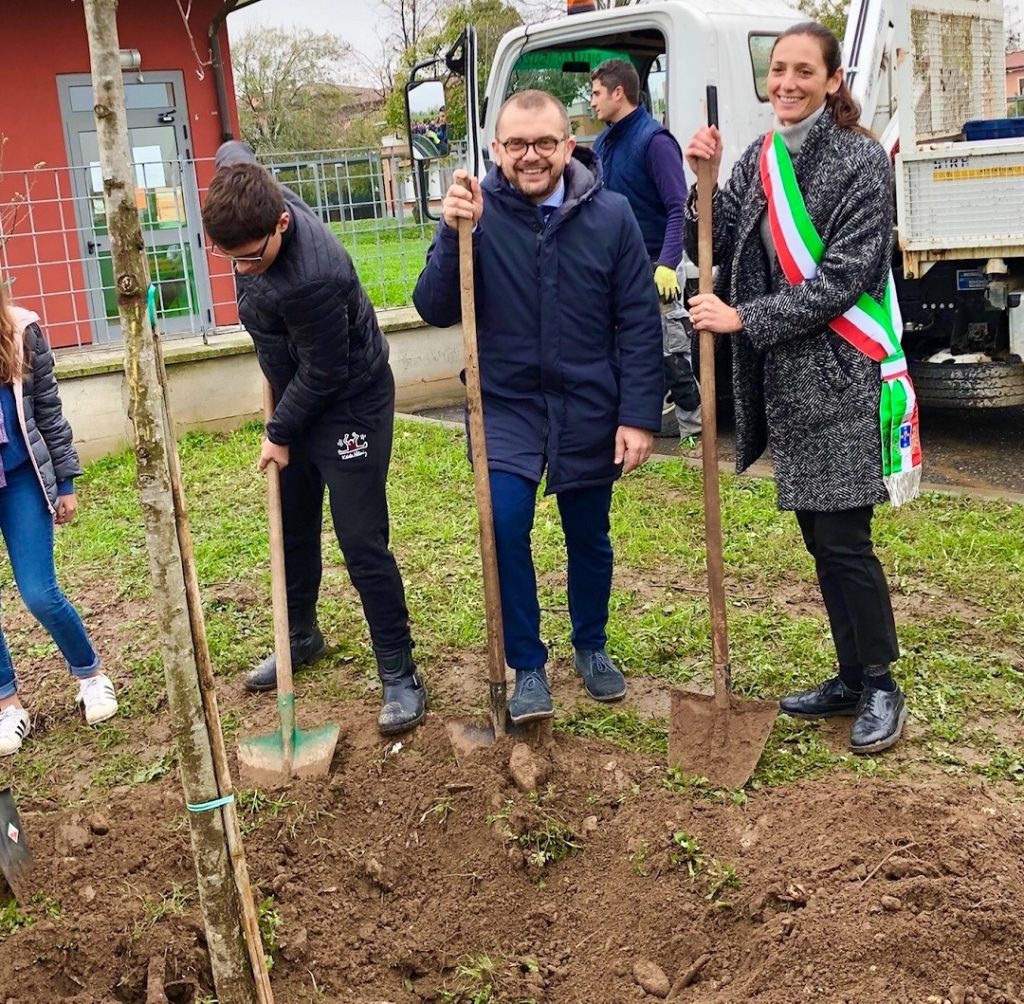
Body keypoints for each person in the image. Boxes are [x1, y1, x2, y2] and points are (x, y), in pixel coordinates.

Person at [684, 22, 921, 754]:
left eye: (802, 71)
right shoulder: (757, 156)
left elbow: (844, 277)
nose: (786, 83)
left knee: (845, 538)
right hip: (788, 383)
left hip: (846, 376)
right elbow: (717, 239)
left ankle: (881, 683)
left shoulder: (860, 161)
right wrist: (703, 180)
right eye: (778, 70)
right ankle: (850, 675)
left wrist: (742, 316)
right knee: (818, 537)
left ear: (831, 79)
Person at [413, 90, 663, 724]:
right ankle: (527, 664)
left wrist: (637, 415)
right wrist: (449, 232)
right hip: (505, 403)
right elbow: (434, 307)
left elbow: (637, 321)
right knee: (504, 525)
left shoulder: (612, 218)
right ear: (498, 150)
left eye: (544, 144)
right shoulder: (476, 215)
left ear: (568, 146)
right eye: (516, 144)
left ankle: (591, 645)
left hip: (587, 403)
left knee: (589, 534)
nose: (531, 156)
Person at [201, 143, 426, 737]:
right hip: (295, 388)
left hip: (347, 400)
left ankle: (399, 673)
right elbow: (231, 148)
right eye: (230, 259)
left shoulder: (312, 277)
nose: (241, 269)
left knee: (360, 539)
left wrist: (278, 432)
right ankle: (300, 635)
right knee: (294, 522)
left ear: (280, 224)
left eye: (250, 259)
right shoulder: (248, 198)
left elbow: (325, 373)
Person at [0, 278, 118, 756]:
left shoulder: (22, 331)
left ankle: (90, 675)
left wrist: (65, 482)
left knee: (39, 594)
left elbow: (48, 411)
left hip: (22, 479)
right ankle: (8, 705)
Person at [590, 58, 701, 445]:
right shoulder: (604, 143)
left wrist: (668, 263)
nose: (591, 102)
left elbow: (677, 206)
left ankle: (694, 435)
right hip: (619, 267)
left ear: (619, 93)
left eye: (596, 93)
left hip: (658, 266)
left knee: (673, 357)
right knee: (625, 351)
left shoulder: (655, 142)